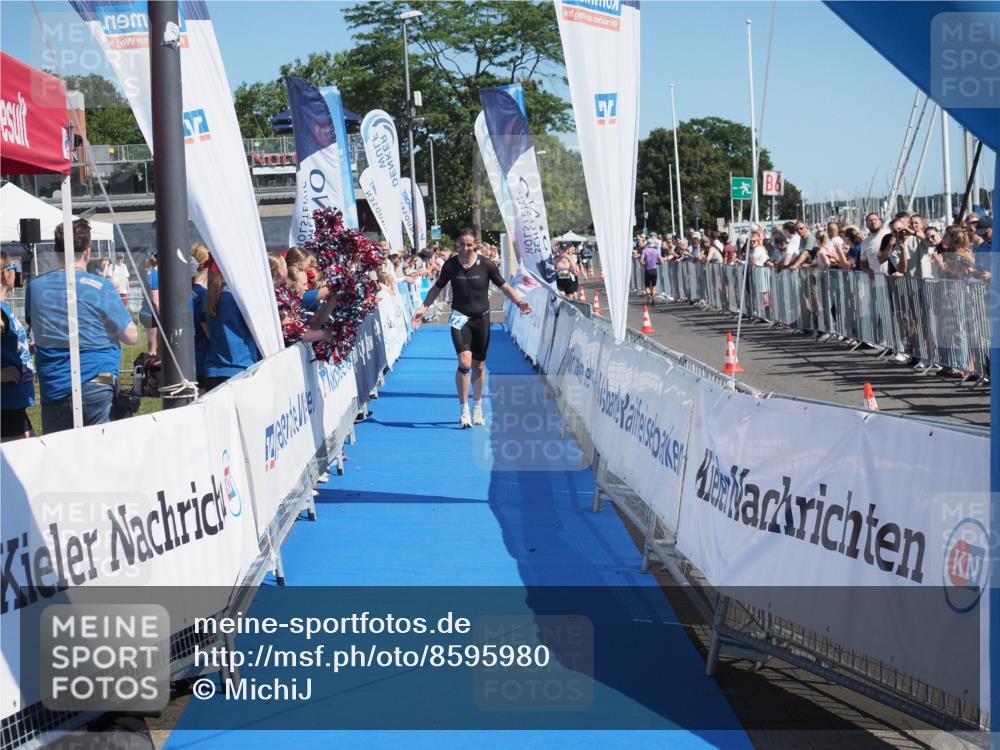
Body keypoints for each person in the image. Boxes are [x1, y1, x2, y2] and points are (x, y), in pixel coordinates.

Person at [411, 227, 532, 428]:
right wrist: (423, 308)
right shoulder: (450, 265)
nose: (465, 248)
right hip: (459, 318)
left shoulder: (486, 265)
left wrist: (520, 303)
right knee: (464, 362)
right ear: (458, 244)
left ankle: (477, 406)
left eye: (469, 245)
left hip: (482, 319)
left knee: (479, 366)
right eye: (461, 244)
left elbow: (505, 287)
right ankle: (464, 409)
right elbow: (437, 288)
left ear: (476, 244)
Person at [25, 219, 138, 433]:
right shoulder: (101, 287)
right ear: (88, 251)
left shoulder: (35, 287)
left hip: (54, 385)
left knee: (61, 459)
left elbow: (35, 325)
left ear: (56, 249)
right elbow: (131, 336)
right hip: (97, 383)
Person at [201, 265, 260, 391]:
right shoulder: (236, 297)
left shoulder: (208, 296)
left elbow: (209, 334)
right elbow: (258, 330)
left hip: (214, 370)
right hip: (240, 369)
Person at [1, 252, 34, 440]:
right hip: (6, 405)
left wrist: (25, 348)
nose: (17, 273)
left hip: (14, 402)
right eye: (14, 268)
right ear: (5, 274)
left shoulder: (4, 307)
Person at [190, 243, 211, 386]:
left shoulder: (189, 291)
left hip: (190, 359)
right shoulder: (202, 295)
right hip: (203, 360)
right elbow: (209, 333)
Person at [139, 254, 159, 356]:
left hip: (148, 313)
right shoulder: (155, 275)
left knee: (155, 347)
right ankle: (151, 370)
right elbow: (155, 300)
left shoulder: (151, 273)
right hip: (151, 315)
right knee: (153, 350)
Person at [640, 239, 660, 303]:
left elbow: (641, 261)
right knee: (654, 286)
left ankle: (649, 295)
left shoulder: (644, 251)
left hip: (647, 270)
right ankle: (653, 299)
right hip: (654, 269)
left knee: (647, 286)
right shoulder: (656, 251)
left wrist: (644, 264)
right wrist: (657, 263)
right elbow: (661, 260)